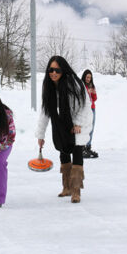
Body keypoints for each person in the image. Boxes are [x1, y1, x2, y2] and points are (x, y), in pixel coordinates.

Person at [36, 56, 93, 203]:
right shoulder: (48, 86)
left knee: (77, 153)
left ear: (64, 70)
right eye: (51, 69)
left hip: (75, 125)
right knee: (63, 152)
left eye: (57, 70)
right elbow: (45, 111)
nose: (53, 73)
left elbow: (85, 104)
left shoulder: (74, 83)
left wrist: (79, 123)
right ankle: (66, 187)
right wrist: (41, 134)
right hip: (60, 125)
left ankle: (76, 191)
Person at [81, 69, 98, 158]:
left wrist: (93, 92)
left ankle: (88, 147)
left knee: (91, 128)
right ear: (84, 77)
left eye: (90, 78)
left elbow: (94, 99)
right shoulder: (81, 85)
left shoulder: (91, 85)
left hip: (92, 109)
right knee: (85, 128)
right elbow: (81, 98)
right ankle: (82, 148)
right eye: (87, 77)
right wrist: (88, 92)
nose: (88, 79)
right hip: (85, 110)